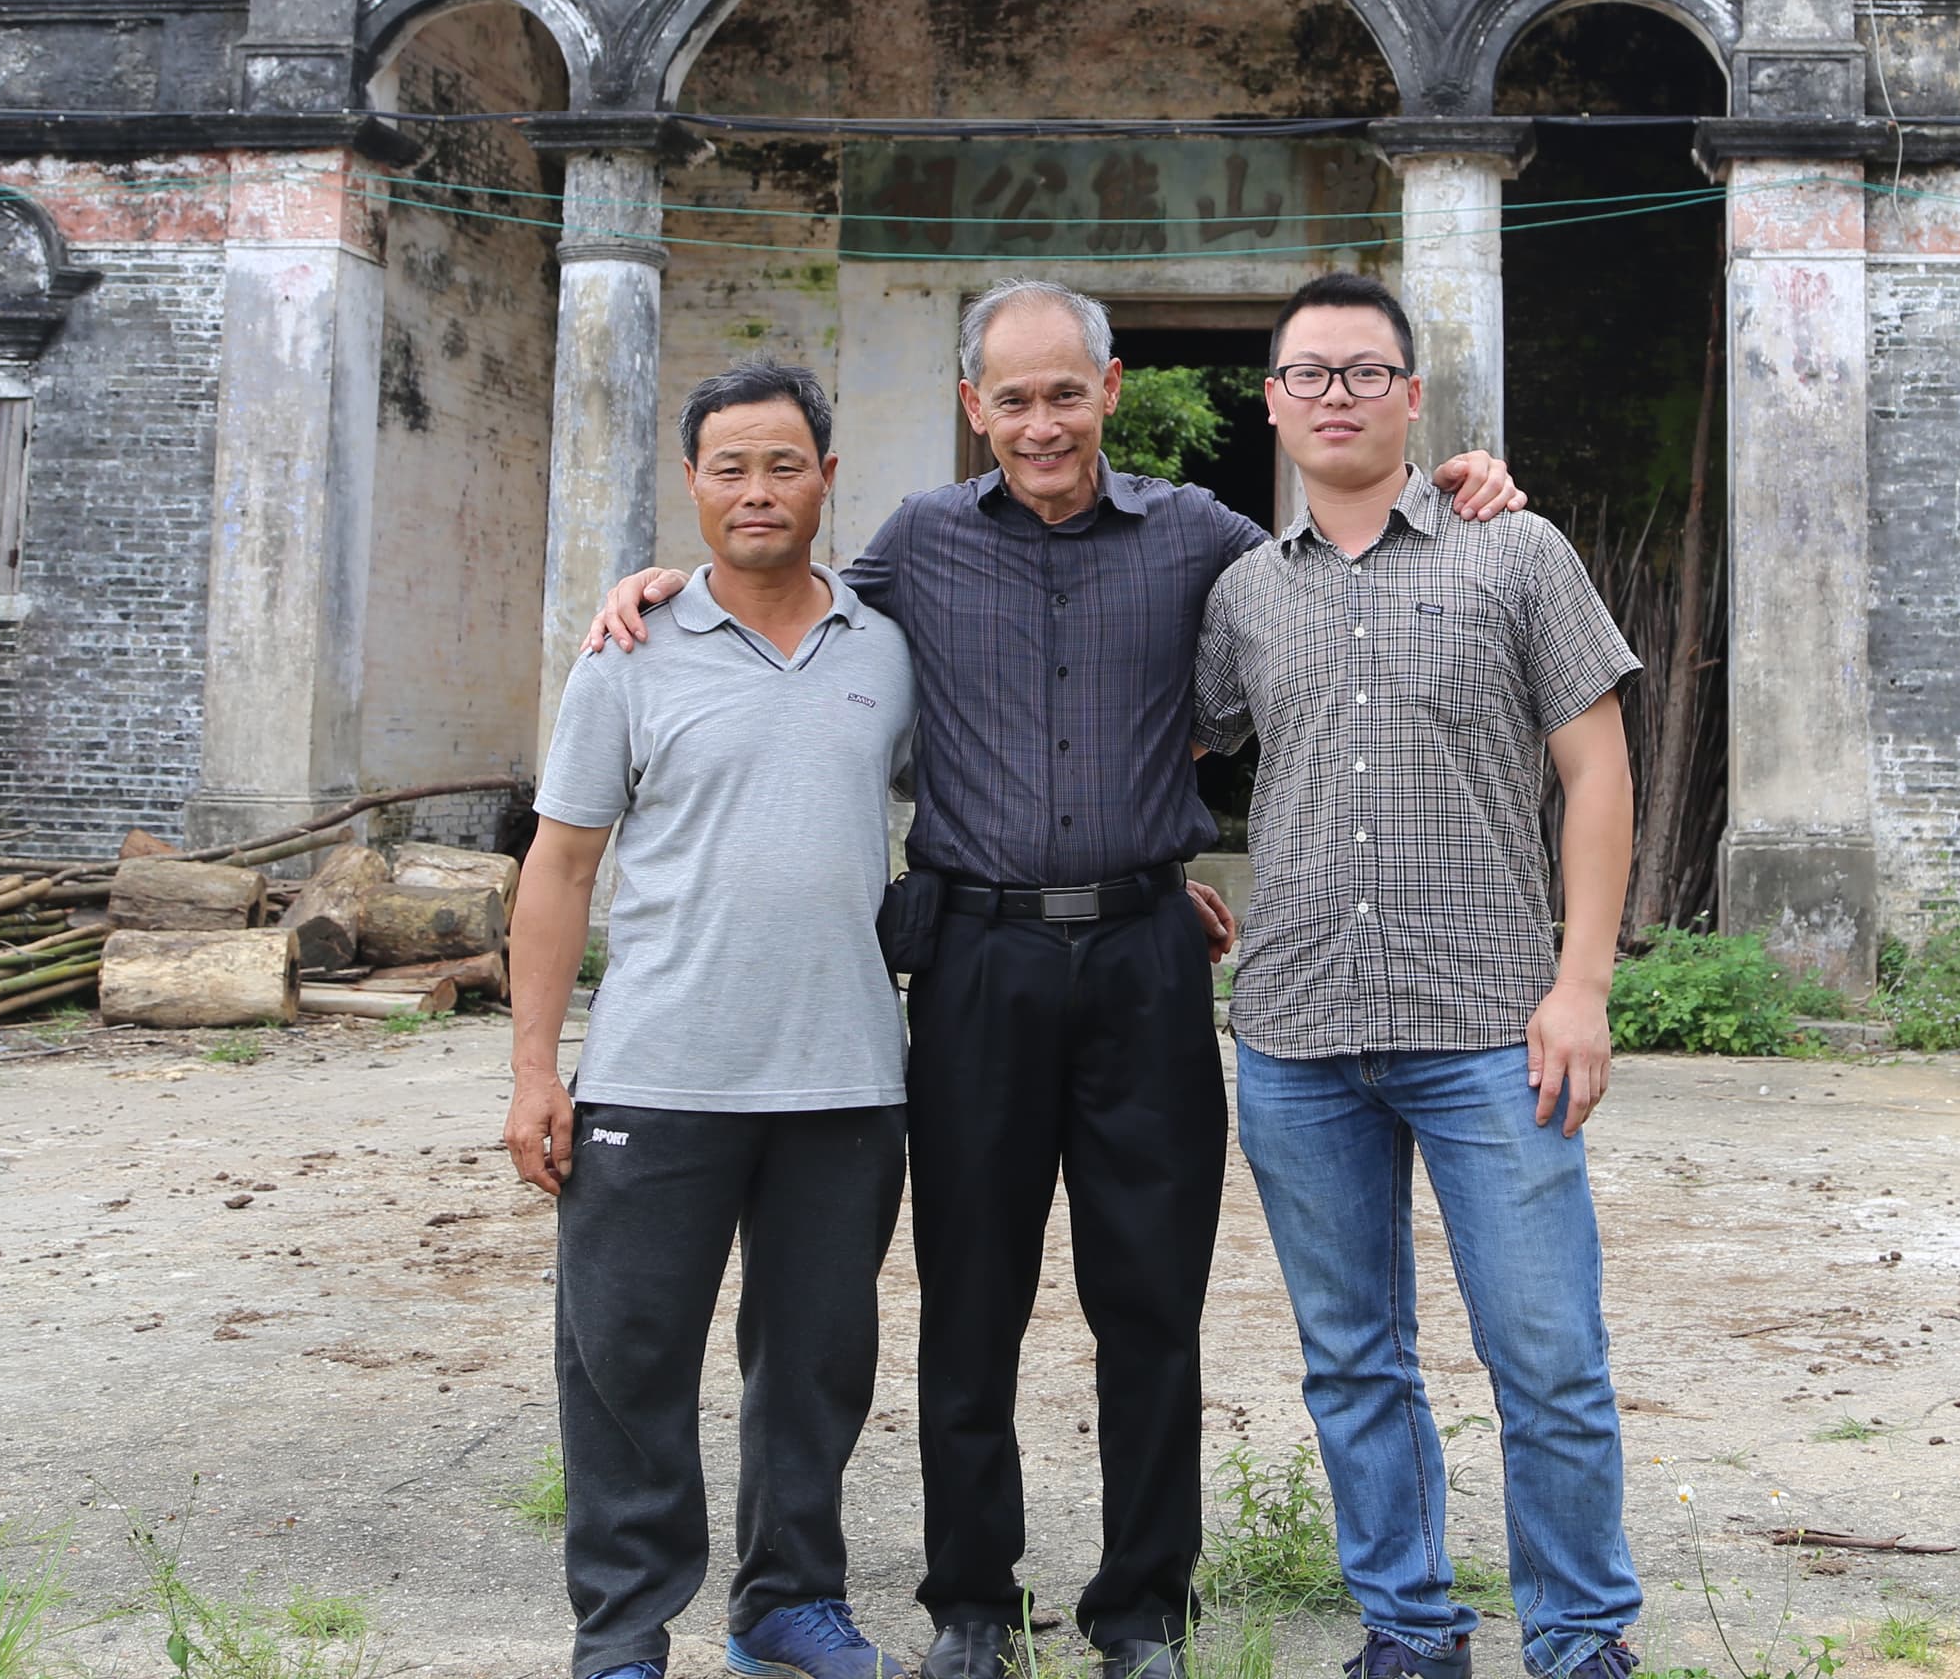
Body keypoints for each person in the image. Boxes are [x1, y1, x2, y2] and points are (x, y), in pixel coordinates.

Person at [586, 280, 1524, 1679]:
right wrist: (654, 587)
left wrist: (1459, 481)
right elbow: (780, 592)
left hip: (1148, 961)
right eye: (1011, 399)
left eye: (1064, 394)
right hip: (976, 962)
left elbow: (1340, 544)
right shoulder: (915, 547)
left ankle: (1141, 1611)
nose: (1040, 424)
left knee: (1150, 1302)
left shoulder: (1203, 537)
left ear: (1111, 389)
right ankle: (973, 1603)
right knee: (972, 1298)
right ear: (976, 408)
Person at [1192, 272, 1646, 1679]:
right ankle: (1411, 1627)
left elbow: (1597, 771)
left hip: (1493, 1029)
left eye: (1364, 371)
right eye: (1310, 373)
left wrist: (1584, 985)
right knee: (1353, 1363)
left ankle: (1576, 1639)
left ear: (1410, 396)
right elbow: (1157, 749)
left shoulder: (1517, 556)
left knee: (1549, 1358)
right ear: (1272, 402)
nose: (1336, 394)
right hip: (1297, 1031)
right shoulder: (1240, 593)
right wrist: (1161, 877)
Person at [508, 361, 918, 1679]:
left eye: (782, 464)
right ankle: (624, 1634)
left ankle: (787, 1599)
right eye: (729, 467)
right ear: (691, 484)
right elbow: (560, 867)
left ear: (826, 479)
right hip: (656, 1075)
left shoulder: (886, 648)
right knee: (625, 1367)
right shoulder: (630, 654)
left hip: (845, 1077)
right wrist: (533, 1072)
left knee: (815, 1368)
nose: (756, 490)